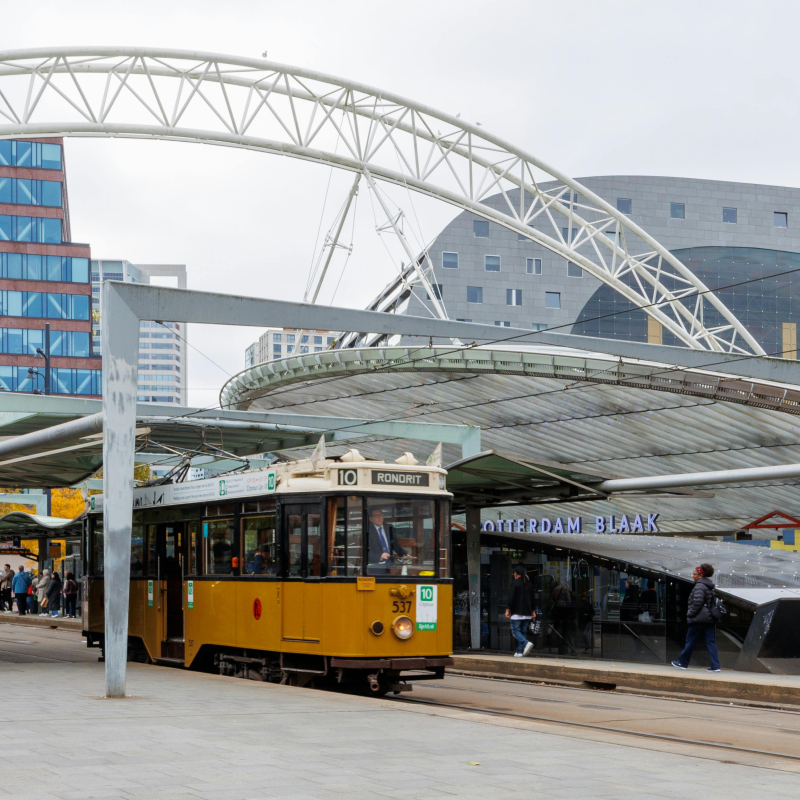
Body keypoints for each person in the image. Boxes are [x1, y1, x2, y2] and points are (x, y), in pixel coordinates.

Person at [672, 563, 721, 672]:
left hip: (699, 618)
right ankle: (716, 666)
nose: (692, 576)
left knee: (690, 640)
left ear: (700, 575)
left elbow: (697, 602)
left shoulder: (699, 586)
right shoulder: (708, 585)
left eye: (694, 574)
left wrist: (690, 613)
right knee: (711, 642)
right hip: (709, 618)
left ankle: (682, 663)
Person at [505, 565, 536, 657]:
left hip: (517, 612)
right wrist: (533, 610)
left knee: (515, 631)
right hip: (527, 612)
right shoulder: (529, 584)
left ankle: (525, 643)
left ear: (515, 574)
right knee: (523, 631)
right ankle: (519, 651)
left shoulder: (515, 583)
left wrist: (507, 609)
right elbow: (533, 599)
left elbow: (511, 598)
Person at [549, 580, 573, 655]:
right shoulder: (566, 589)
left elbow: (551, 601)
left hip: (557, 613)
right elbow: (569, 602)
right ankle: (565, 649)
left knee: (558, 631)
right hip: (565, 613)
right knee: (566, 633)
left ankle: (561, 649)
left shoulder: (555, 590)